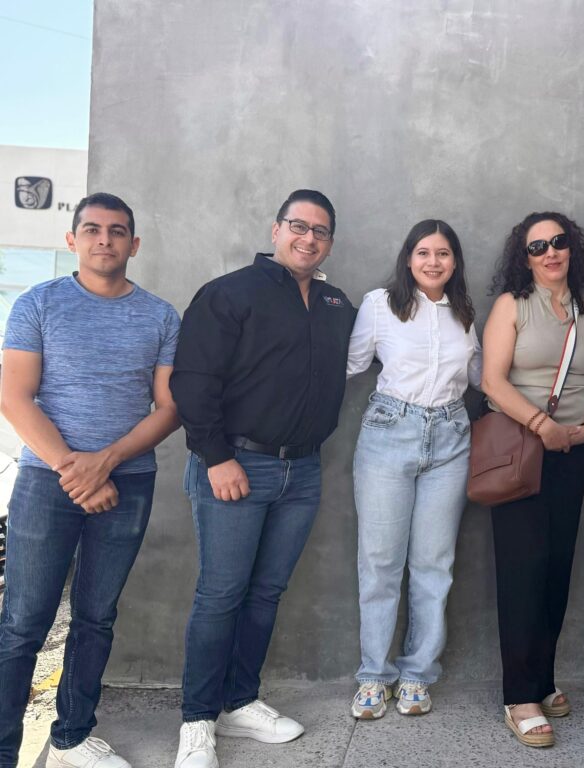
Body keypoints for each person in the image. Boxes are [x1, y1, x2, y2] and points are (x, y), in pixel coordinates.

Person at [170, 190, 357, 768]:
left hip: (302, 471)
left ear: (329, 243)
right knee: (221, 594)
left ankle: (240, 702)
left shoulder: (335, 304)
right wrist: (215, 456)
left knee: (266, 592)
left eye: (320, 230)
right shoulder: (230, 293)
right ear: (276, 230)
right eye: (298, 226)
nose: (308, 237)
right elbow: (192, 380)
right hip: (236, 465)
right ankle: (197, 721)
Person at [0, 193, 180, 768]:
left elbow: (169, 407)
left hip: (128, 483)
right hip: (45, 482)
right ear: (72, 240)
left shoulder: (161, 316)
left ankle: (71, 738)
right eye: (93, 229)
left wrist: (104, 462)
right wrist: (73, 469)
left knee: (96, 617)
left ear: (134, 244)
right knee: (22, 623)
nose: (105, 239)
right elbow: (14, 395)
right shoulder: (38, 303)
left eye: (118, 231)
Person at [480, 211, 584, 748]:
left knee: (557, 566)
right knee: (522, 570)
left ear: (572, 248)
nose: (550, 252)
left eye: (558, 242)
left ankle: (543, 678)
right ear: (525, 257)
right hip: (520, 451)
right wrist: (542, 426)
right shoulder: (511, 306)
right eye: (538, 247)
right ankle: (519, 696)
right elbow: (492, 381)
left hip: (575, 453)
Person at [346, 220, 481, 719]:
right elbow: (350, 363)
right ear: (408, 258)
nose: (433, 262)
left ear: (454, 261)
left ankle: (417, 674)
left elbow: (479, 375)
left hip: (451, 437)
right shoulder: (380, 304)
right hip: (389, 432)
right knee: (380, 561)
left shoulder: (464, 312)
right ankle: (374, 675)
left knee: (434, 564)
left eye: (443, 253)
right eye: (423, 252)